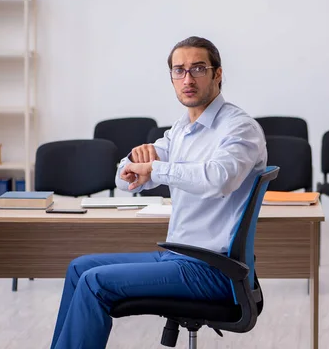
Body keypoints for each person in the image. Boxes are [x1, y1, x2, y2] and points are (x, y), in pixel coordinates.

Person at [50, 36, 267, 349]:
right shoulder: (181, 129)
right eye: (179, 71)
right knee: (80, 267)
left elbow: (220, 179)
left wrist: (155, 169)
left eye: (198, 69)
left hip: (214, 270)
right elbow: (126, 181)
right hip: (178, 257)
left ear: (217, 74)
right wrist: (133, 164)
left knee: (95, 283)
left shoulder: (239, 127)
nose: (187, 79)